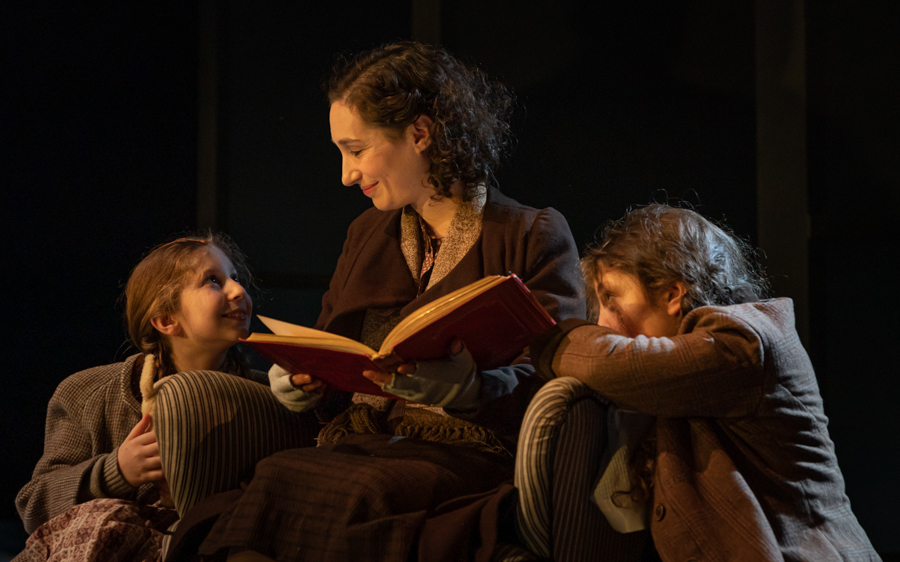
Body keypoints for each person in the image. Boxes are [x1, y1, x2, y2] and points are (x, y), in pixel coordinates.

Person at [174, 41, 585, 562]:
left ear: (419, 134)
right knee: (278, 474)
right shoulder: (367, 232)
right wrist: (303, 379)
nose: (346, 175)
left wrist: (471, 388)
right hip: (366, 441)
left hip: (466, 454)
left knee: (370, 491)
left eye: (357, 149)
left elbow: (559, 377)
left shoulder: (529, 233)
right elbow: (331, 343)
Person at [527, 204, 879, 561]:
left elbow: (621, 364)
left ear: (671, 295)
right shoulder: (688, 373)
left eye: (611, 298)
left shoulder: (747, 342)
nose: (602, 324)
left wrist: (545, 338)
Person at [14, 234, 272, 562]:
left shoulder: (264, 399)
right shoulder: (87, 392)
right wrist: (116, 470)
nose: (238, 291)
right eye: (213, 281)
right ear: (166, 320)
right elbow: (34, 506)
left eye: (235, 278)